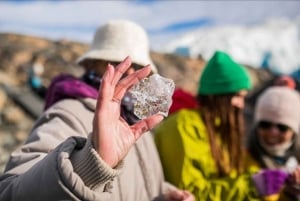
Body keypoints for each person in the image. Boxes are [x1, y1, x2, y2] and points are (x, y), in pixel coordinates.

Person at [0, 19, 194, 201]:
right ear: (92, 63)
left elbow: (140, 181)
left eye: (137, 65)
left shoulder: (136, 118)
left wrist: (164, 194)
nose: (129, 72)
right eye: (119, 62)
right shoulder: (68, 111)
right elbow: (10, 192)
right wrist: (89, 166)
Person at [154, 50, 261, 201]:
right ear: (219, 95)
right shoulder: (183, 126)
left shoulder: (219, 129)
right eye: (237, 96)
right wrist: (252, 185)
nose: (241, 105)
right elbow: (188, 191)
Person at [247, 86, 300, 200]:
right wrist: (250, 187)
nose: (273, 132)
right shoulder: (238, 160)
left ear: (294, 132)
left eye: (282, 127)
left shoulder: (295, 165)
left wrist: (290, 194)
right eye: (265, 124)